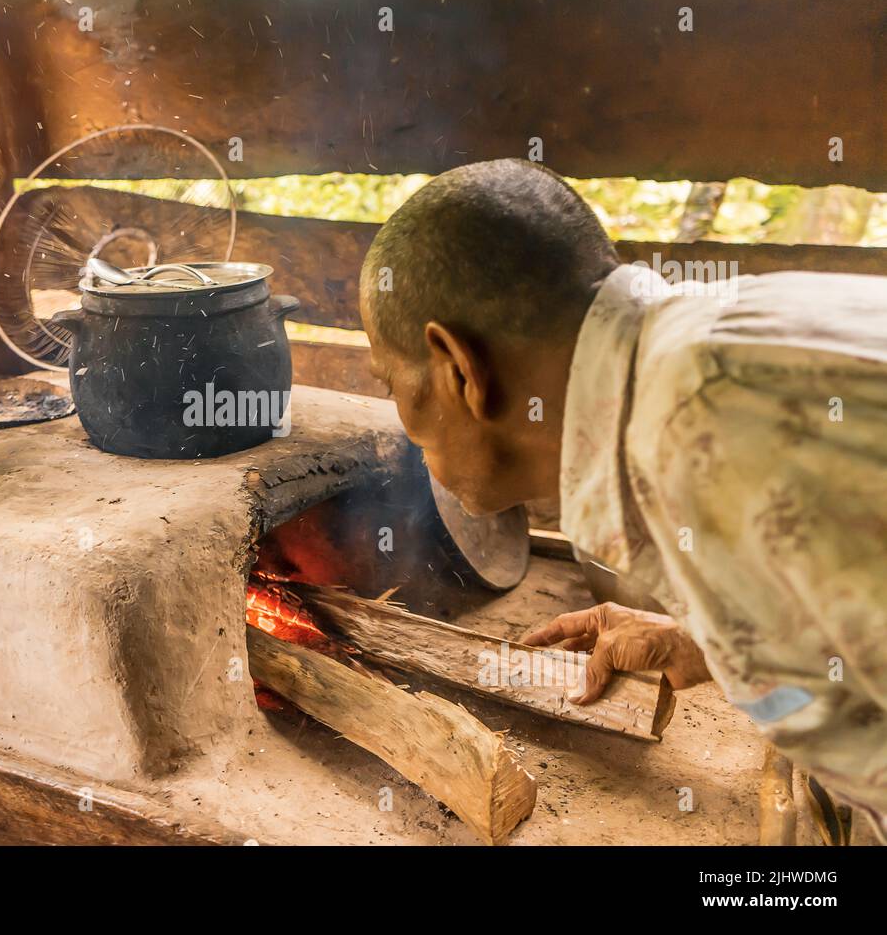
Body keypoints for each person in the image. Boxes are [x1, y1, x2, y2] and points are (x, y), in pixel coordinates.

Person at [359, 158, 887, 835]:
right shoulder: (701, 361)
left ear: (459, 369)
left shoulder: (700, 434)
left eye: (389, 383)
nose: (400, 417)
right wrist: (704, 641)